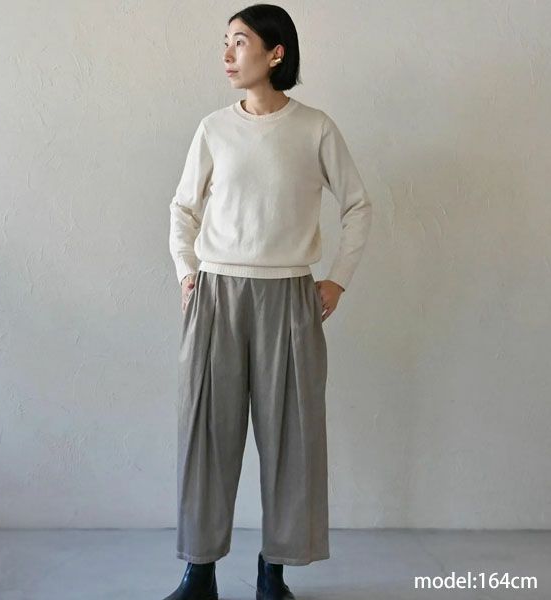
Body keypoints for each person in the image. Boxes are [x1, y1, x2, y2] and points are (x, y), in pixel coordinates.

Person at [164, 4, 372, 599]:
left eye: (240, 42)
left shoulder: (315, 128)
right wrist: (187, 272)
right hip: (217, 295)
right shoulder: (213, 128)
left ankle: (272, 571)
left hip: (290, 297)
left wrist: (337, 280)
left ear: (275, 53)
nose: (227, 54)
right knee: (207, 434)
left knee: (291, 438)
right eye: (225, 43)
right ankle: (199, 572)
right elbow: (183, 208)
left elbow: (357, 205)